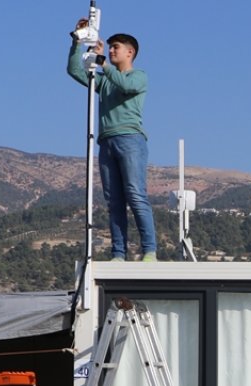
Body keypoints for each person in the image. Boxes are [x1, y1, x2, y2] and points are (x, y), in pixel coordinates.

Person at [68, 20, 157, 262]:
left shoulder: (139, 76)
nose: (111, 50)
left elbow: (125, 85)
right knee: (114, 201)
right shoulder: (105, 79)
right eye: (109, 47)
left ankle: (150, 250)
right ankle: (119, 253)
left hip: (130, 139)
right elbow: (75, 72)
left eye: (116, 47)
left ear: (131, 52)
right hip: (107, 142)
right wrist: (77, 42)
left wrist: (103, 64)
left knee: (135, 194)